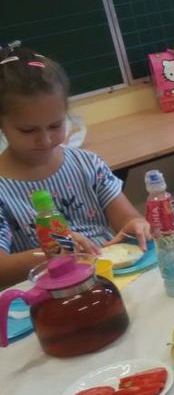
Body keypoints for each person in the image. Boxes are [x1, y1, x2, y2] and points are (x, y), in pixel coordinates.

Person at [0, 43, 149, 287]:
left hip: (109, 279)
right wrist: (54, 252)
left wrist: (135, 224)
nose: (45, 140)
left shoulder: (87, 164)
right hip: (50, 293)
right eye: (28, 130)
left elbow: (126, 218)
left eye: (55, 125)